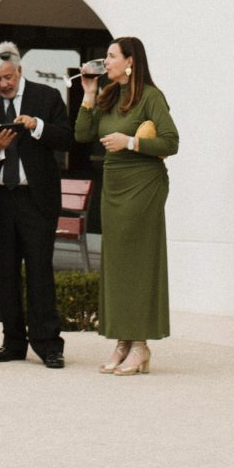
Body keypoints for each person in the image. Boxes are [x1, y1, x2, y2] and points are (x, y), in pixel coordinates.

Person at [74, 35, 179, 377]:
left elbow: (171, 141)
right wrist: (88, 93)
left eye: (111, 56)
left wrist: (130, 141)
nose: (106, 62)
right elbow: (82, 134)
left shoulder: (151, 96)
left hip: (143, 186)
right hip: (115, 185)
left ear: (131, 61)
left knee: (139, 263)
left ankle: (140, 345)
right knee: (117, 264)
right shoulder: (109, 95)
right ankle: (123, 340)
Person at [0, 42, 69, 367]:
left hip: (36, 200)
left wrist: (36, 126)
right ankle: (13, 342)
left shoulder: (47, 97)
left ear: (19, 70)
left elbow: (67, 138)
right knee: (5, 272)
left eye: (7, 77)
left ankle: (48, 345)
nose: (3, 84)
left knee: (40, 271)